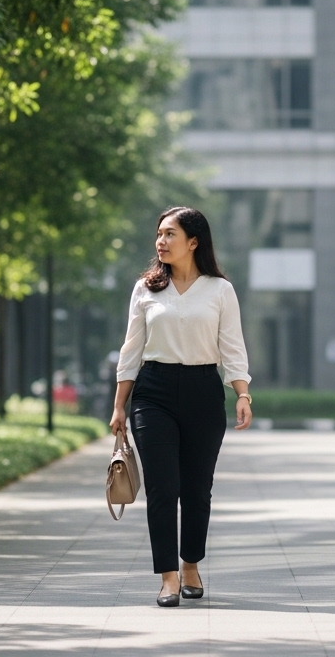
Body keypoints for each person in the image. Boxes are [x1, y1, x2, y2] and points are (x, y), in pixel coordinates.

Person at [110, 206, 253, 608]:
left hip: (204, 392)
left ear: (194, 241)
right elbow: (131, 350)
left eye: (170, 234)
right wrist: (120, 406)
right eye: (159, 234)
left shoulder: (220, 290)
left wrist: (242, 393)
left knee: (196, 490)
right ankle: (168, 577)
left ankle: (191, 565)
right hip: (153, 392)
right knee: (162, 488)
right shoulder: (146, 289)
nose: (161, 241)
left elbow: (232, 347)